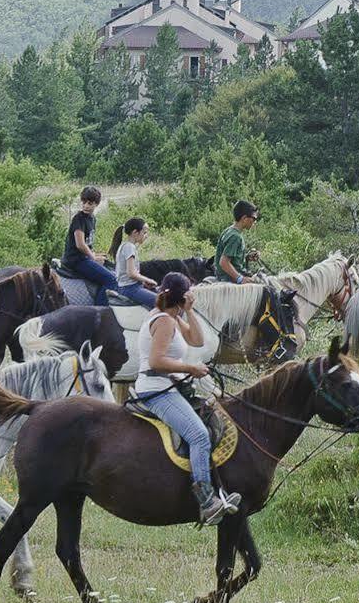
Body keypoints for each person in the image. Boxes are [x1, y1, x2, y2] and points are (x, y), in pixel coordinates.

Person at [133, 272, 239, 524]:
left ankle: (218, 490)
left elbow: (197, 339)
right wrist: (190, 369)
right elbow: (157, 361)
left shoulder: (170, 316)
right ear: (181, 297)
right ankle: (205, 500)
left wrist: (189, 311)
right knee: (199, 436)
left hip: (169, 386)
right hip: (157, 388)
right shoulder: (165, 322)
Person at [62, 186, 155, 308]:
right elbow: (80, 244)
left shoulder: (92, 219)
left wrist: (95, 254)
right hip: (76, 259)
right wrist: (93, 257)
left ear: (96, 204)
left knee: (112, 268)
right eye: (83, 202)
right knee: (111, 279)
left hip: (84, 257)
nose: (85, 206)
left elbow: (88, 243)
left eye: (90, 203)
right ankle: (100, 309)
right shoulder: (78, 219)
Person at [110, 218, 158, 297]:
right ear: (135, 232)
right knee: (161, 302)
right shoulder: (129, 247)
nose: (146, 236)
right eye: (144, 233)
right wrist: (148, 280)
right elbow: (131, 273)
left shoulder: (126, 246)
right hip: (130, 288)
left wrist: (143, 282)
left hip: (130, 286)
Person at [215, 201, 258, 283]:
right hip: (229, 279)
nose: (254, 222)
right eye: (254, 218)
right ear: (244, 218)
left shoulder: (228, 231)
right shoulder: (235, 237)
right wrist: (240, 279)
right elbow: (223, 262)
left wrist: (247, 257)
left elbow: (233, 260)